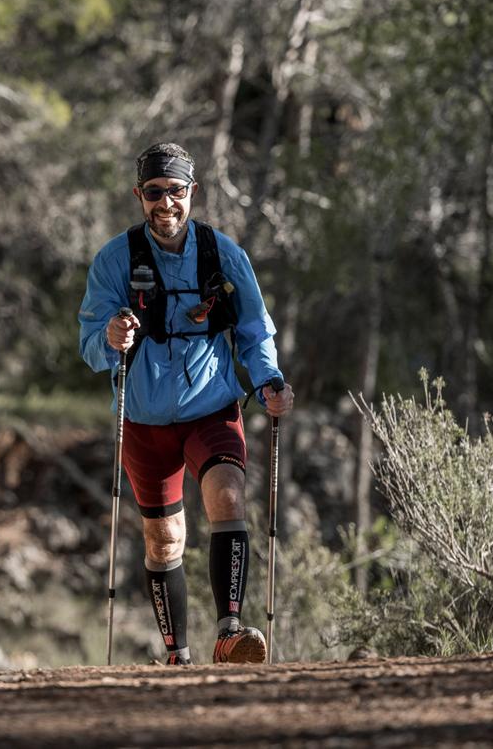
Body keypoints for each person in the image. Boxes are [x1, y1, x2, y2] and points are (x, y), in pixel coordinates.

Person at [78, 141, 295, 665]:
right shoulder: (114, 260)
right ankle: (178, 654)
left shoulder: (224, 255)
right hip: (145, 420)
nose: (166, 203)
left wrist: (270, 380)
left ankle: (230, 630)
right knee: (164, 540)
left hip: (212, 407)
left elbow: (253, 329)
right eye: (154, 192)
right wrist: (111, 336)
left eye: (175, 191)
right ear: (139, 195)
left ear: (192, 192)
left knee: (228, 495)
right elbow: (89, 346)